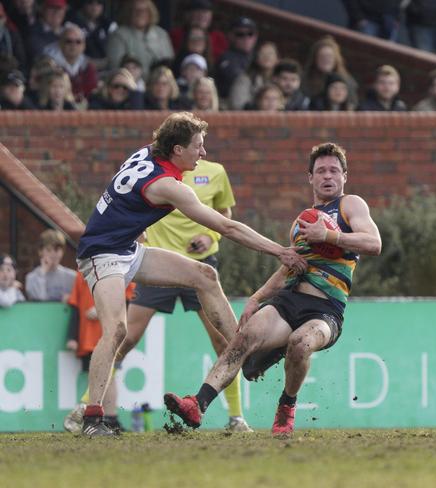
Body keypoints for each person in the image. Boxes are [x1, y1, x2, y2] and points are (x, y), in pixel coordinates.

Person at [75, 111, 306, 436]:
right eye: (198, 146)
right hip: (102, 254)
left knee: (204, 276)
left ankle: (246, 351)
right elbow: (227, 226)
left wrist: (127, 225)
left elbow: (121, 197)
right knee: (116, 331)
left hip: (127, 249)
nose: (204, 153)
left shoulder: (149, 152)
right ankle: (92, 419)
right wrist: (280, 251)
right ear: (177, 150)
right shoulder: (167, 186)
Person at [163, 142, 382, 437]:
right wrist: (256, 298)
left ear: (345, 176)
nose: (327, 176)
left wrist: (329, 235)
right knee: (244, 338)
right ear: (310, 178)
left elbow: (374, 243)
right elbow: (289, 266)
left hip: (325, 311)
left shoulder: (350, 205)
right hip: (288, 301)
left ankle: (286, 406)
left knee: (301, 343)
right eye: (320, 171)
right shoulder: (303, 220)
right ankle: (197, 404)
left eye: (333, 170)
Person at [107, 158, 252, 433]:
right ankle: (87, 406)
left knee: (223, 343)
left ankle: (236, 417)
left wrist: (211, 237)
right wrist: (137, 232)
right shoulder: (155, 173)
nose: (201, 149)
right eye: (197, 142)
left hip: (200, 269)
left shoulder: (216, 171)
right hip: (158, 264)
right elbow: (131, 206)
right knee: (124, 338)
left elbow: (225, 212)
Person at [63, 272, 135, 434]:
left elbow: (129, 301)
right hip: (88, 337)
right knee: (101, 374)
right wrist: (72, 336)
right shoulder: (81, 274)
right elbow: (75, 305)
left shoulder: (121, 270)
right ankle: (102, 417)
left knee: (110, 374)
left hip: (111, 335)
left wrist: (101, 310)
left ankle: (110, 417)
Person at [105, 0, 173, 76]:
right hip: (132, 82)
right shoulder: (118, 35)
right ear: (129, 12)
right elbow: (116, 66)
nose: (140, 14)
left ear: (151, 13)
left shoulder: (162, 34)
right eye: (136, 10)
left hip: (159, 82)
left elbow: (169, 62)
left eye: (144, 10)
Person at [44, 22, 98, 105]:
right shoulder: (48, 65)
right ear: (60, 43)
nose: (73, 45)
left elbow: (92, 94)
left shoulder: (89, 67)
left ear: (84, 46)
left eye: (78, 42)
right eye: (69, 41)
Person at [303, 36, 358, 107]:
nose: (326, 59)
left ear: (336, 59)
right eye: (322, 56)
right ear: (315, 58)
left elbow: (352, 104)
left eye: (329, 56)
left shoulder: (347, 80)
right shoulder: (305, 79)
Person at [213, 16, 257, 101]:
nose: (246, 38)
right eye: (240, 34)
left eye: (250, 34)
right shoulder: (226, 58)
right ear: (231, 36)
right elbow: (237, 79)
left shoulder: (258, 57)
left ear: (255, 37)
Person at [26, 229, 75, 301]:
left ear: (63, 251)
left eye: (57, 250)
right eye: (49, 250)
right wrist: (42, 274)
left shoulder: (72, 277)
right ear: (40, 251)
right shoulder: (31, 278)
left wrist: (71, 299)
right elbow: (39, 302)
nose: (53, 254)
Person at [228, 41, 278, 110]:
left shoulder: (281, 80)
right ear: (256, 58)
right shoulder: (244, 79)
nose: (267, 56)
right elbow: (237, 105)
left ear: (277, 58)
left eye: (270, 53)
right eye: (262, 53)